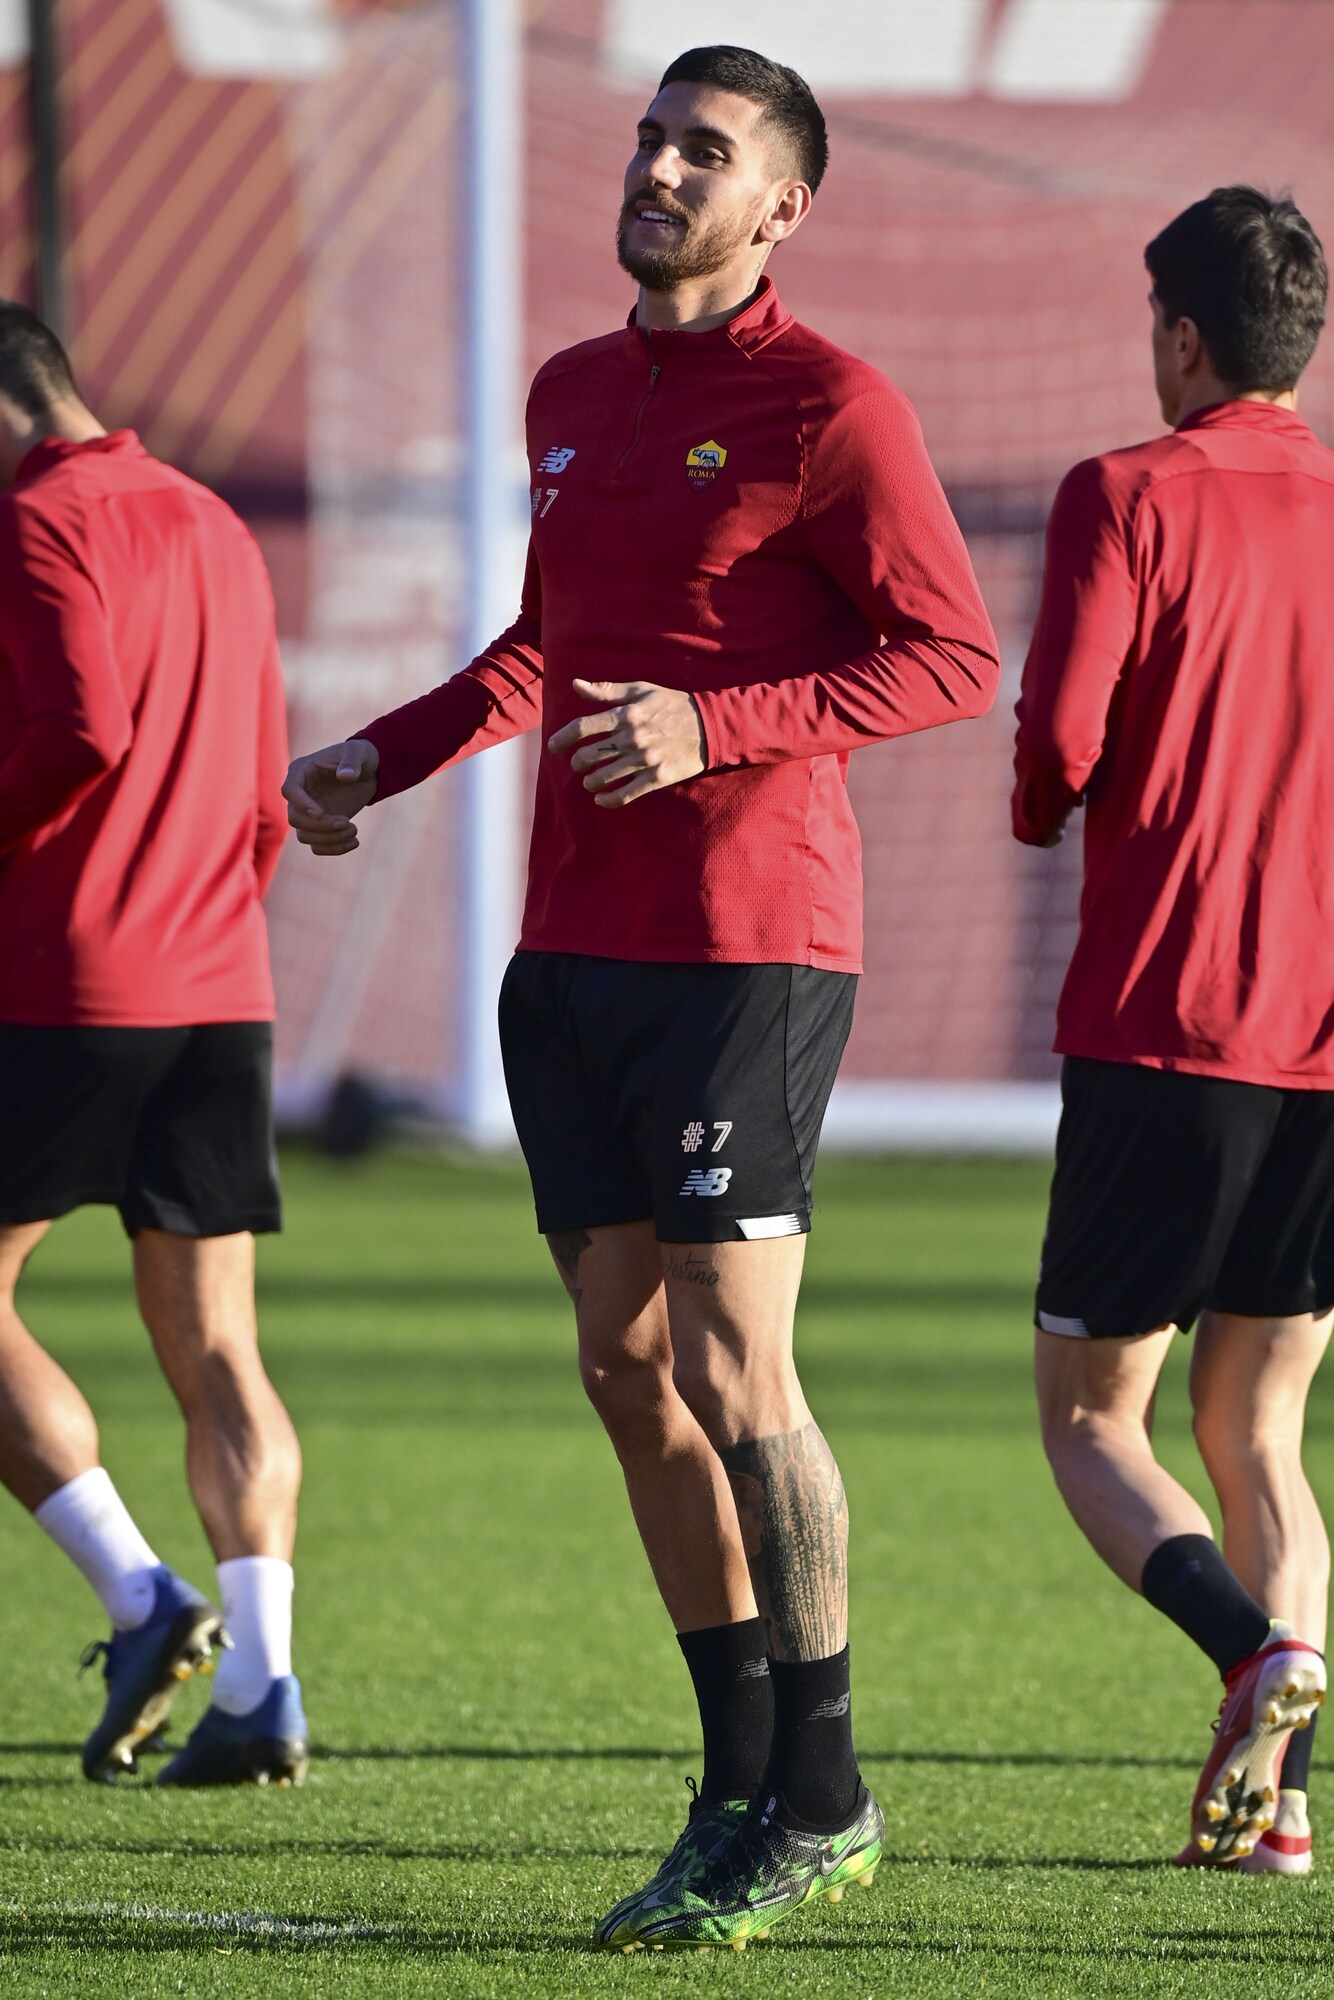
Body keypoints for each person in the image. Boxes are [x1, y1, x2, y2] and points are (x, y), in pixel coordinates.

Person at [286, 45, 998, 1946]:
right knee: (623, 1370)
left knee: (734, 1369)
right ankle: (735, 1787)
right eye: (650, 138)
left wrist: (714, 724)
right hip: (571, 954)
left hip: (747, 946)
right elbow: (544, 647)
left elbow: (950, 656)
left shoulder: (833, 405)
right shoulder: (573, 392)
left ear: (782, 207)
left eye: (707, 151)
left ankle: (823, 1793)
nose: (661, 169)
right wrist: (381, 754)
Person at [1015, 187, 1332, 1873]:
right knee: (1262, 1429)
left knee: (1089, 1418)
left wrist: (1038, 802)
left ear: (1184, 334)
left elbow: (1061, 735)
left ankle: (1248, 1653)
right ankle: (1283, 1815)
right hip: (1325, 1045)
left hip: (1170, 1018)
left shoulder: (1124, 492)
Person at [0, 304, 307, 1787]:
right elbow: (261, 789)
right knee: (219, 1344)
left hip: (69, 976)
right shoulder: (211, 519)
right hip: (217, 977)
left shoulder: (38, 520)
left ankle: (138, 1596)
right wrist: (215, 918)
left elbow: (79, 728)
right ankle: (263, 1685)